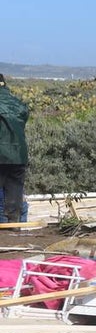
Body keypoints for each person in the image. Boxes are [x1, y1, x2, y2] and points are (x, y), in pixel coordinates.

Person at [0, 74, 30, 226]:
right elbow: (23, 119)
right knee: (14, 194)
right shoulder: (18, 103)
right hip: (19, 155)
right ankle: (14, 228)